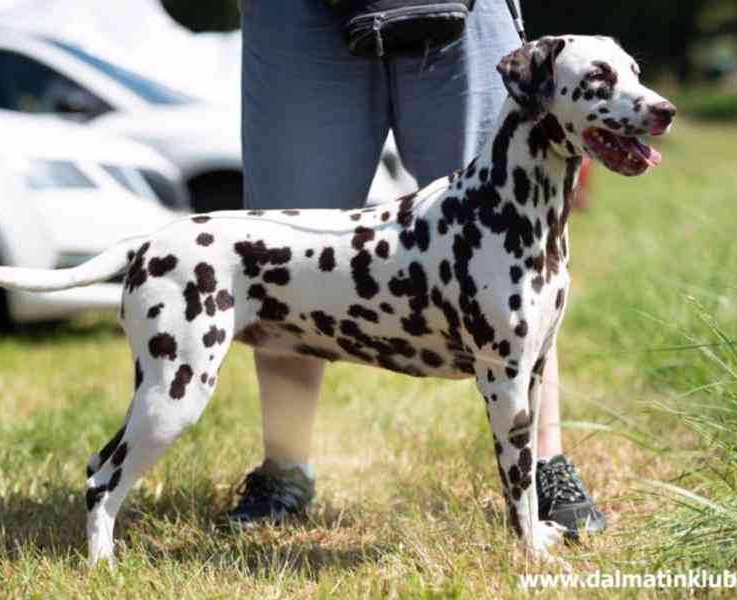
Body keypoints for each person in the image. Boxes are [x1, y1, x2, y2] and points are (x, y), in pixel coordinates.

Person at [230, 0, 605, 537]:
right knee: (286, 259)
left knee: (511, 247)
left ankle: (545, 466)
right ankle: (284, 468)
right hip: (297, 15)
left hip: (467, 12)